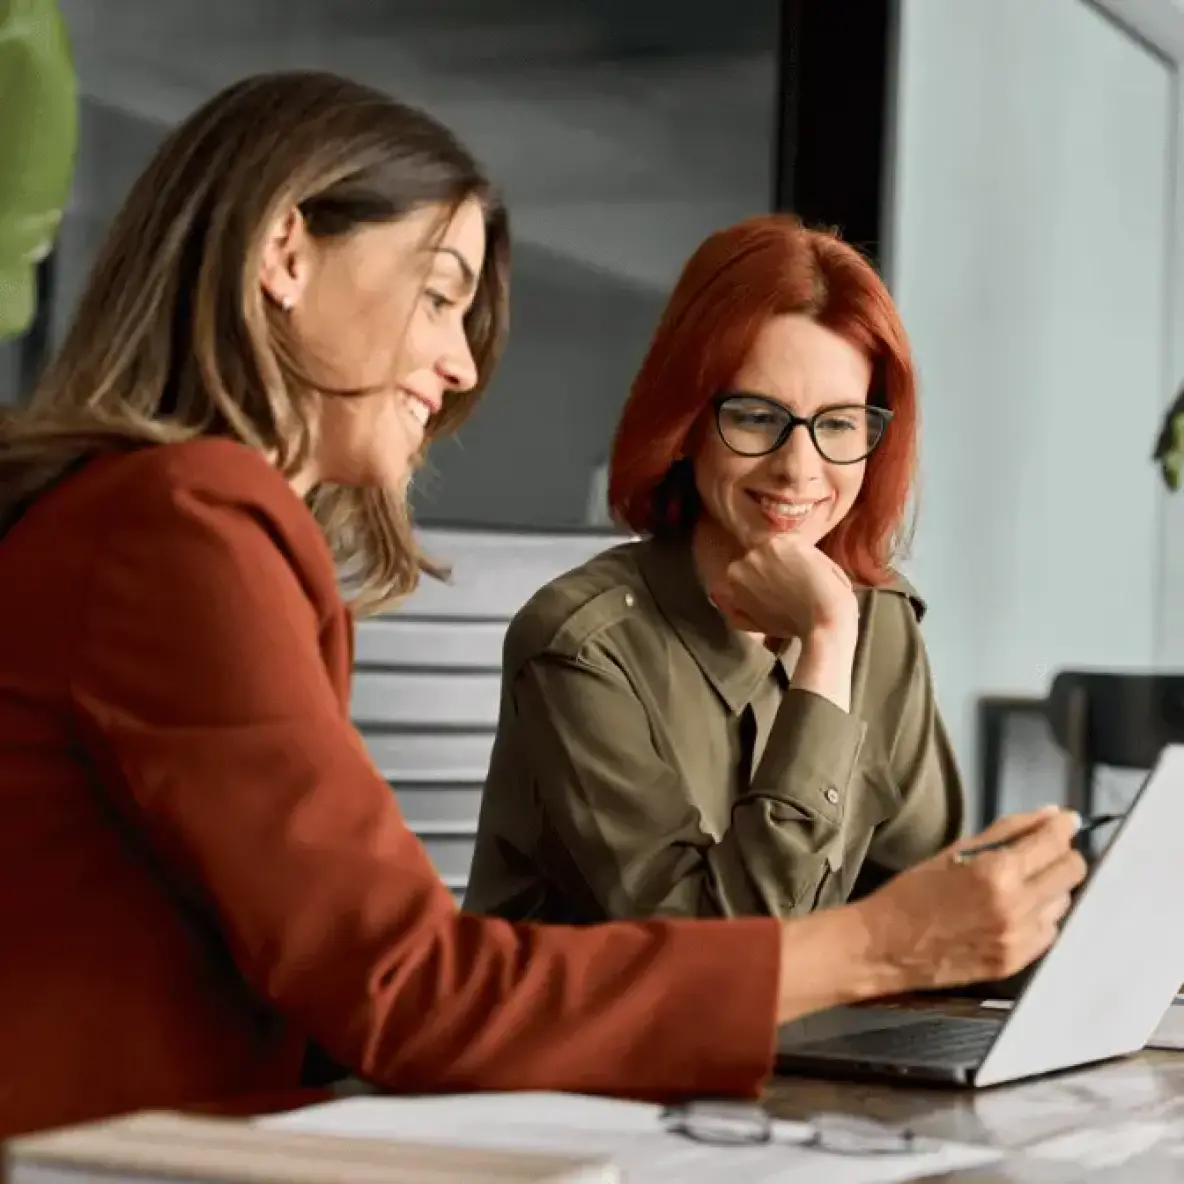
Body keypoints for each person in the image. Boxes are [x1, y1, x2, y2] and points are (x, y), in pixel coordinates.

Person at [0, 70, 1085, 1140]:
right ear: (284, 253)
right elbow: (405, 986)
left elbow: (327, 984)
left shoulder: (162, 518)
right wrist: (879, 945)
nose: (459, 359)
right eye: (438, 293)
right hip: (117, 1156)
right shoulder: (178, 524)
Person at [466, 216, 964, 924]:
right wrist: (825, 650)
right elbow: (717, 954)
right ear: (688, 421)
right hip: (623, 1033)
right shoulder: (582, 649)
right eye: (758, 417)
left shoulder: (880, 620)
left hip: (814, 1035)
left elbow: (928, 904)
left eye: (840, 424)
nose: (799, 468)